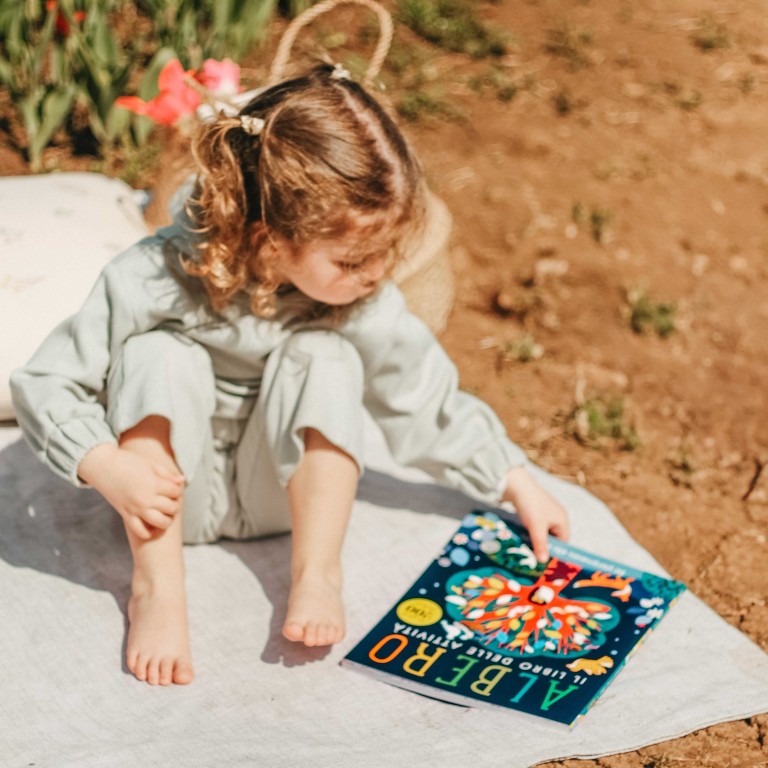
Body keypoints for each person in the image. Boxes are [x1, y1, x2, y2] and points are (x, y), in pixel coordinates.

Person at [10, 63, 569, 688]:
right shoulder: (154, 275)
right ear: (271, 242)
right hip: (169, 499)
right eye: (356, 258)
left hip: (284, 495)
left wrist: (510, 476)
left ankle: (317, 574)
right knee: (156, 355)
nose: (377, 272)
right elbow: (46, 381)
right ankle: (158, 591)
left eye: (386, 252)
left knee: (328, 357)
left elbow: (420, 392)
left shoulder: (353, 297)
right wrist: (107, 465)